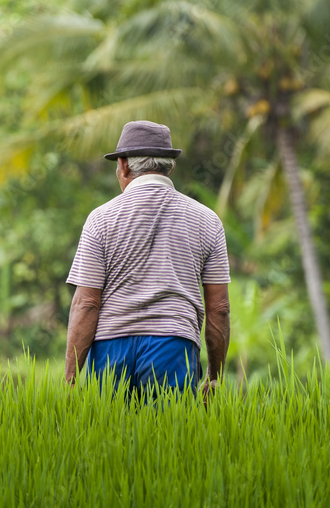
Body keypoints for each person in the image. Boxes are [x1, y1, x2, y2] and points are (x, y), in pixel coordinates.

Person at [63, 120, 231, 401]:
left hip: (110, 348)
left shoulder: (100, 219)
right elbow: (220, 308)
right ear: (170, 166)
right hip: (173, 343)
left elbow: (87, 303)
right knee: (168, 441)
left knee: (108, 439)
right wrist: (214, 376)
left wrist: (69, 379)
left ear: (124, 165)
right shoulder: (207, 220)